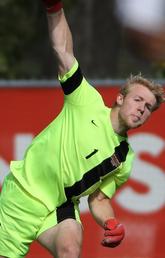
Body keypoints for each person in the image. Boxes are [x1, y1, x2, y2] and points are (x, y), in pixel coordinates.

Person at [0, 1, 164, 257]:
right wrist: (54, 8)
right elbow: (63, 51)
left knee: (70, 249)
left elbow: (98, 200)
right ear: (120, 98)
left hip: (59, 207)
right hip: (22, 195)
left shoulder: (124, 158)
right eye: (138, 100)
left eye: (149, 107)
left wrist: (110, 223)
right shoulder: (86, 101)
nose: (143, 108)